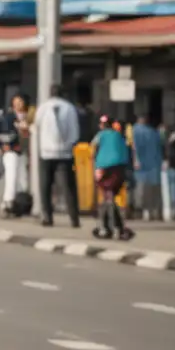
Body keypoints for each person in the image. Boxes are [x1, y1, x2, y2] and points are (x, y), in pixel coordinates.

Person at [35, 82, 81, 229]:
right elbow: (75, 131)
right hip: (65, 153)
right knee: (68, 186)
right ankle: (74, 218)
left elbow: (37, 126)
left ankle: (47, 216)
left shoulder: (43, 107)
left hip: (46, 152)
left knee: (45, 186)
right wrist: (69, 144)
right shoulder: (69, 108)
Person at [92, 114, 134, 241]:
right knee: (109, 198)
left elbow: (93, 149)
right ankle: (108, 227)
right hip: (120, 169)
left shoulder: (101, 135)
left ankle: (114, 228)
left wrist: (97, 168)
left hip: (105, 169)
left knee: (108, 198)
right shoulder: (119, 136)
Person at [132, 113, 164, 222]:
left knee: (140, 189)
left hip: (142, 167)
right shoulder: (154, 132)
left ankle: (142, 211)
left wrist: (136, 160)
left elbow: (134, 147)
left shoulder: (135, 130)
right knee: (153, 190)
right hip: (154, 165)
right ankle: (153, 211)